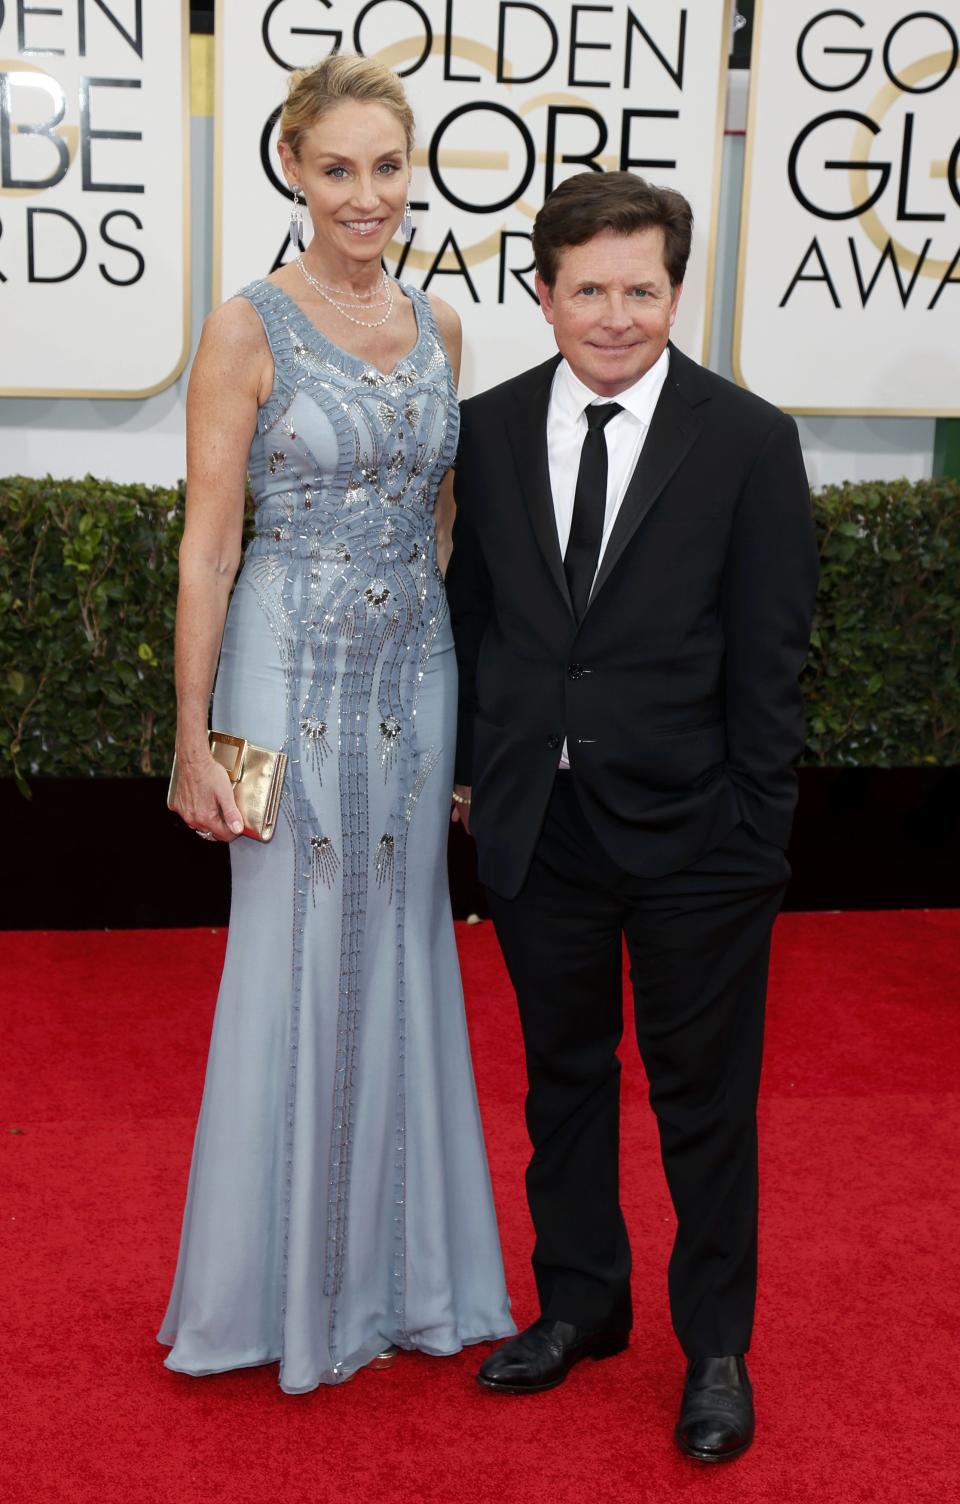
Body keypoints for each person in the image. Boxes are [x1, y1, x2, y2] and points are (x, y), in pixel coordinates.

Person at [445, 171, 818, 1460]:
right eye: (588, 289)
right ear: (542, 292)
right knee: (564, 1083)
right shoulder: (486, 430)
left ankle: (715, 1345)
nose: (616, 316)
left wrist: (754, 834)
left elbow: (772, 657)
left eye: (641, 290)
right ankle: (581, 1308)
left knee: (704, 1098)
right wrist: (481, 771)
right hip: (538, 824)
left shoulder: (748, 439)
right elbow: (478, 618)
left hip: (700, 838)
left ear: (677, 289)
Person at [160, 54, 513, 1394]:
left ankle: (402, 1282)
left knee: (410, 948)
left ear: (410, 172)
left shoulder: (444, 329)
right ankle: (278, 1296)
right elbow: (207, 546)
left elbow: (441, 526)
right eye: (338, 168)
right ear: (296, 173)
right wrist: (192, 736)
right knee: (289, 951)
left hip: (412, 688)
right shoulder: (247, 327)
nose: (366, 195)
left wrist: (458, 716)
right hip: (277, 679)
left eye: (386, 166)